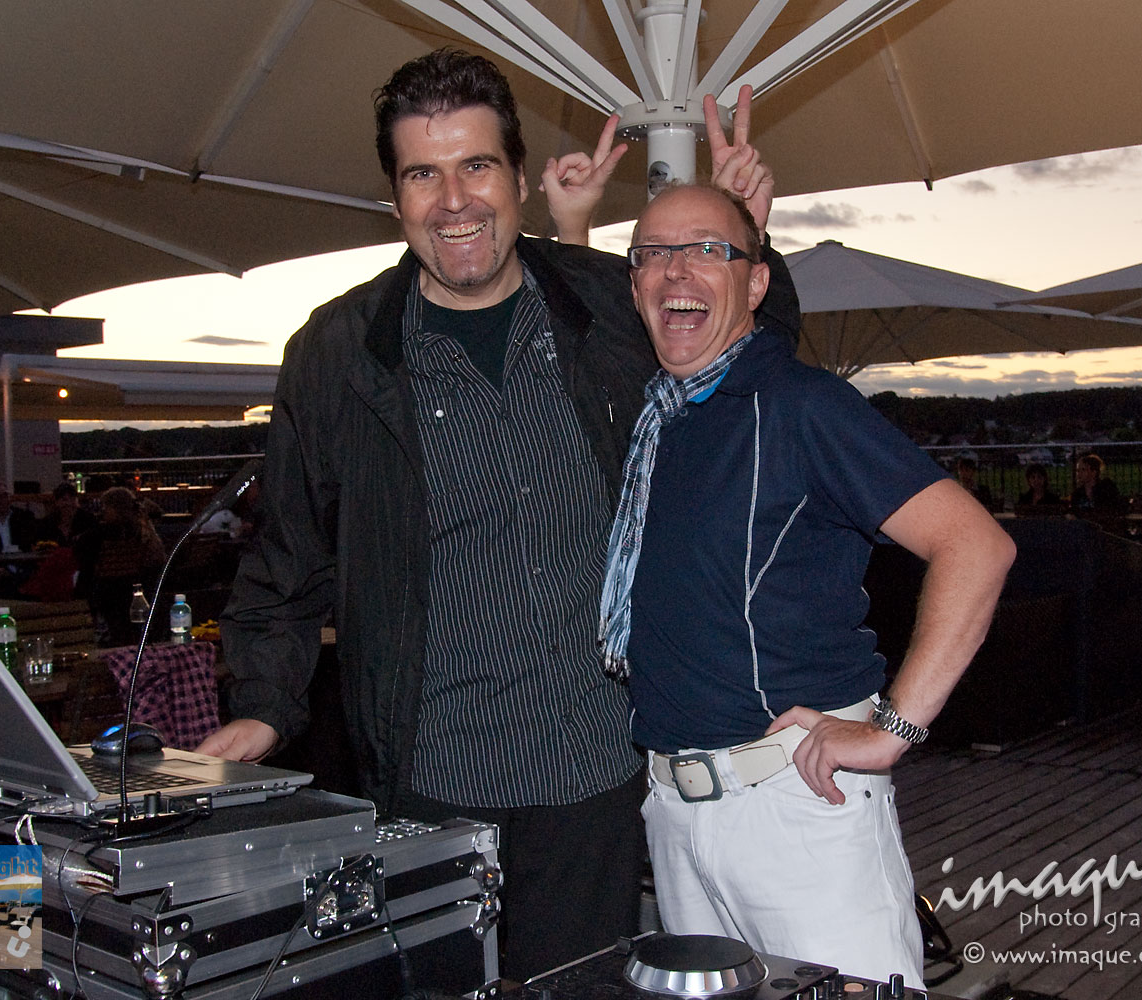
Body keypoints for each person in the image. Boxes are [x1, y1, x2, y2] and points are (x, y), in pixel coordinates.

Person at [195, 48, 797, 981]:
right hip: (429, 779)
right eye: (422, 175)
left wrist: (746, 239)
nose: (453, 200)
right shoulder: (337, 352)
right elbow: (287, 556)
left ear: (518, 179)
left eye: (476, 166)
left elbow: (748, 359)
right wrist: (265, 711)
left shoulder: (604, 305)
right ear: (395, 198)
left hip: (596, 765)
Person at [596, 182, 1015, 986]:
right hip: (674, 812)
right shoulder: (660, 421)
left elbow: (975, 546)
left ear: (756, 282)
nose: (675, 269)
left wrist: (893, 730)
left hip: (797, 804)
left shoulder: (801, 404)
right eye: (652, 253)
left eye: (707, 249)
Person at [73, 486, 166, 647]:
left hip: (107, 591)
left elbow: (81, 553)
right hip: (134, 588)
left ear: (114, 509)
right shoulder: (142, 531)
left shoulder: (101, 533)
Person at [36, 482, 97, 547]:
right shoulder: (48, 523)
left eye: (72, 499)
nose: (68, 503)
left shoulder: (88, 520)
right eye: (64, 500)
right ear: (57, 502)